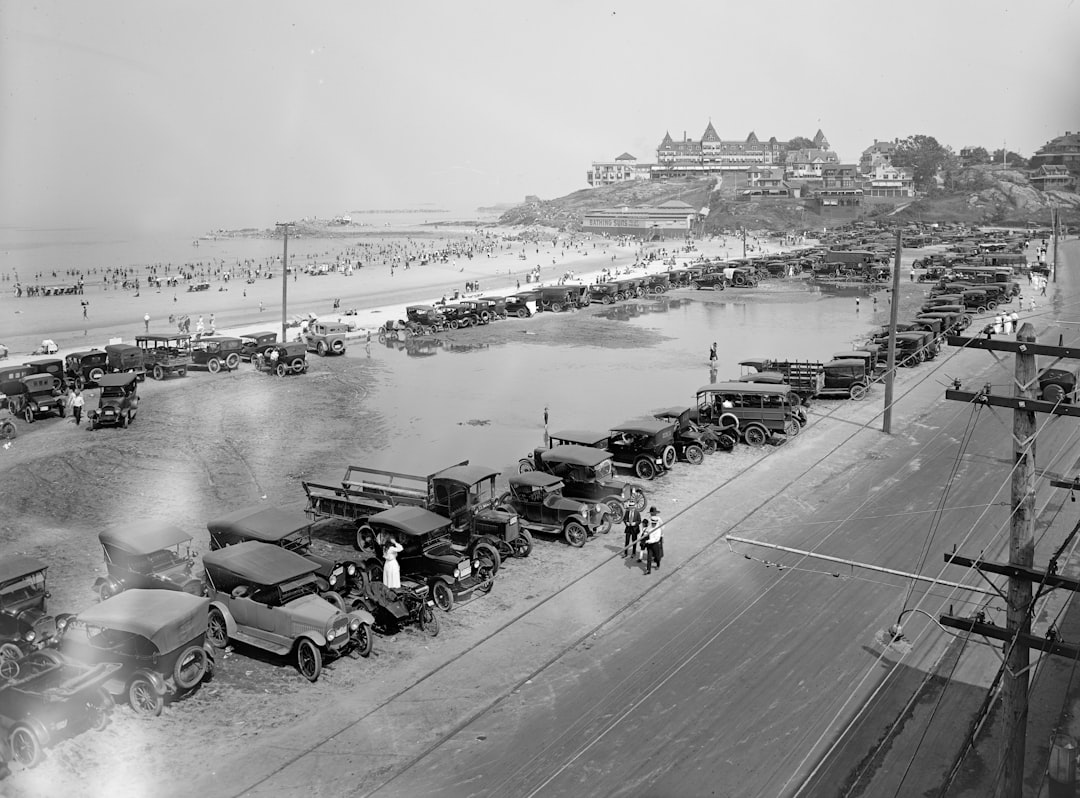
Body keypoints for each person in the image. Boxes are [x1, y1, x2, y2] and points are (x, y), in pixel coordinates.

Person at [643, 506, 664, 574]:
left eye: (654, 523)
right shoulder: (650, 524)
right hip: (649, 545)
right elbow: (646, 531)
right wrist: (644, 535)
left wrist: (662, 536)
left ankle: (658, 564)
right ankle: (648, 570)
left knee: (657, 556)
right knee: (649, 557)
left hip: (655, 544)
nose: (653, 524)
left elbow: (656, 538)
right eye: (652, 523)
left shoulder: (658, 528)